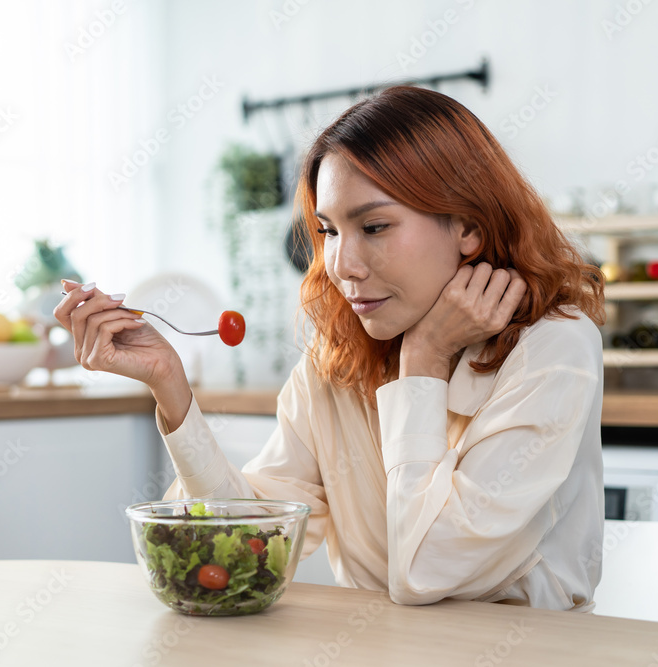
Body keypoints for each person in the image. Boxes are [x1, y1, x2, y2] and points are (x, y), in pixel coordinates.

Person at [54, 85, 606, 612]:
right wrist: (169, 384)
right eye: (330, 230)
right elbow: (251, 542)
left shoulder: (554, 349)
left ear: (466, 226)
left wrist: (425, 362)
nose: (342, 266)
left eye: (374, 225)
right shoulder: (339, 354)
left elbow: (427, 572)